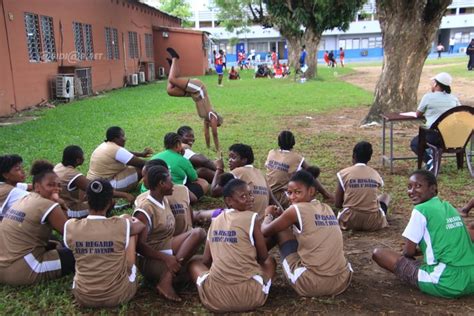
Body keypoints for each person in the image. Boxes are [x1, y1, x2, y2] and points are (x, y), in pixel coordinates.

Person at [372, 170, 474, 298]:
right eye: (409, 187)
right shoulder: (449, 207)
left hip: (447, 282)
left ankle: (426, 273)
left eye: (418, 186)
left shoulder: (420, 210)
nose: (412, 191)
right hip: (471, 278)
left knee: (379, 253)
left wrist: (411, 256)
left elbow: (408, 252)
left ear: (433, 189)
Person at [188, 179, 276, 312]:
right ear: (228, 201)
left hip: (215, 298)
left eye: (250, 194)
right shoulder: (252, 218)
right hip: (250, 296)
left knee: (194, 262)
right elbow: (263, 257)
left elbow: (206, 260)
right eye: (243, 196)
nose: (250, 199)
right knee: (271, 261)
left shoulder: (216, 220)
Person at [261, 170, 353, 297]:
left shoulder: (296, 209)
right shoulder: (327, 208)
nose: (292, 197)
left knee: (279, 230)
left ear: (311, 191)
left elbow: (265, 231)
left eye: (298, 192)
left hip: (312, 284)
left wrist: (268, 214)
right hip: (342, 279)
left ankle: (252, 260)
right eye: (289, 193)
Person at [64, 179, 146, 307]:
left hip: (83, 297)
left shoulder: (71, 226)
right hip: (119, 295)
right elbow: (140, 226)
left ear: (86, 198)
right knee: (131, 233)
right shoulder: (121, 225)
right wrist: (126, 217)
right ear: (110, 202)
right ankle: (128, 269)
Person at [133, 165, 206, 301]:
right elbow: (139, 246)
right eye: (170, 181)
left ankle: (169, 276)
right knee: (195, 255)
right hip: (152, 258)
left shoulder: (164, 200)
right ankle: (167, 279)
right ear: (161, 184)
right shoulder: (145, 209)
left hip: (165, 248)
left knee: (203, 254)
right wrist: (166, 258)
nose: (173, 184)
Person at [0, 160, 75, 285]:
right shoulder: (47, 205)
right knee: (85, 252)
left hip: (4, 266)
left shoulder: (23, 199)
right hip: (24, 270)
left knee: (56, 243)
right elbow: (72, 235)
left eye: (58, 185)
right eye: (50, 185)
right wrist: (61, 205)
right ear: (37, 187)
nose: (56, 189)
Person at [165, 48, 223, 152]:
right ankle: (175, 58)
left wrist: (208, 147)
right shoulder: (213, 116)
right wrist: (219, 149)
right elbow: (214, 134)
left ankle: (173, 66)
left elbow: (207, 133)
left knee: (170, 90)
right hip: (198, 88)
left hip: (194, 94)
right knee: (172, 80)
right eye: (216, 125)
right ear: (217, 120)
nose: (213, 126)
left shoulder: (207, 119)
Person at [55, 145, 135, 218]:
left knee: (86, 195)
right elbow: (100, 190)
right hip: (69, 211)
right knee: (109, 201)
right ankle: (101, 218)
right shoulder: (73, 175)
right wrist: (125, 195)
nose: (84, 157)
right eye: (82, 156)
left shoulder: (58, 167)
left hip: (58, 207)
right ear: (78, 160)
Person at [265, 131, 333, 210]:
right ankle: (326, 195)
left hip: (267, 194)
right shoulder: (297, 158)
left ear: (278, 142)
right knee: (307, 178)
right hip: (281, 196)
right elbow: (311, 174)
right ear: (293, 142)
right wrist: (325, 193)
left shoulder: (271, 153)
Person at [409, 72, 461, 170]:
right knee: (426, 139)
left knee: (415, 143)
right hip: (452, 136)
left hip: (435, 136)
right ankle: (432, 157)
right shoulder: (453, 98)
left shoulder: (428, 97)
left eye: (432, 82)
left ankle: (430, 160)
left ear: (436, 84)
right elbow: (459, 113)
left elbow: (418, 114)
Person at [335, 141, 390, 231]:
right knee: (385, 196)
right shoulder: (375, 174)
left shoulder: (343, 173)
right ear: (369, 158)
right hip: (373, 222)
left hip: (349, 220)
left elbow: (337, 204)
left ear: (354, 156)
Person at [211, 143, 271, 217]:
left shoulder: (238, 172)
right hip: (261, 221)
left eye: (233, 157)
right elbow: (272, 198)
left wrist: (219, 168)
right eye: (229, 158)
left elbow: (214, 192)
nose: (229, 160)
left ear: (244, 160)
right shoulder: (260, 173)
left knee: (203, 214)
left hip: (244, 219)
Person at [87, 126, 151, 192]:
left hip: (93, 183)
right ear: (115, 139)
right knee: (142, 168)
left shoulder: (106, 145)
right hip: (106, 186)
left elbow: (126, 153)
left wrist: (141, 154)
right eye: (122, 136)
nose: (125, 139)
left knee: (130, 167)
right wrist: (158, 164)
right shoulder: (116, 150)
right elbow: (142, 163)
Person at [153, 132, 209, 203]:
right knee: (203, 182)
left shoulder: (154, 157)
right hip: (172, 193)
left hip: (152, 192)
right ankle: (184, 199)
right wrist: (181, 157)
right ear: (178, 144)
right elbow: (194, 178)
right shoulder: (182, 160)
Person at [0, 154, 30, 220]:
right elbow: (36, 199)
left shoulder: (10, 184)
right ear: (6, 175)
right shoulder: (8, 190)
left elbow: (32, 187)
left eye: (22, 167)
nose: (23, 171)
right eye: (18, 169)